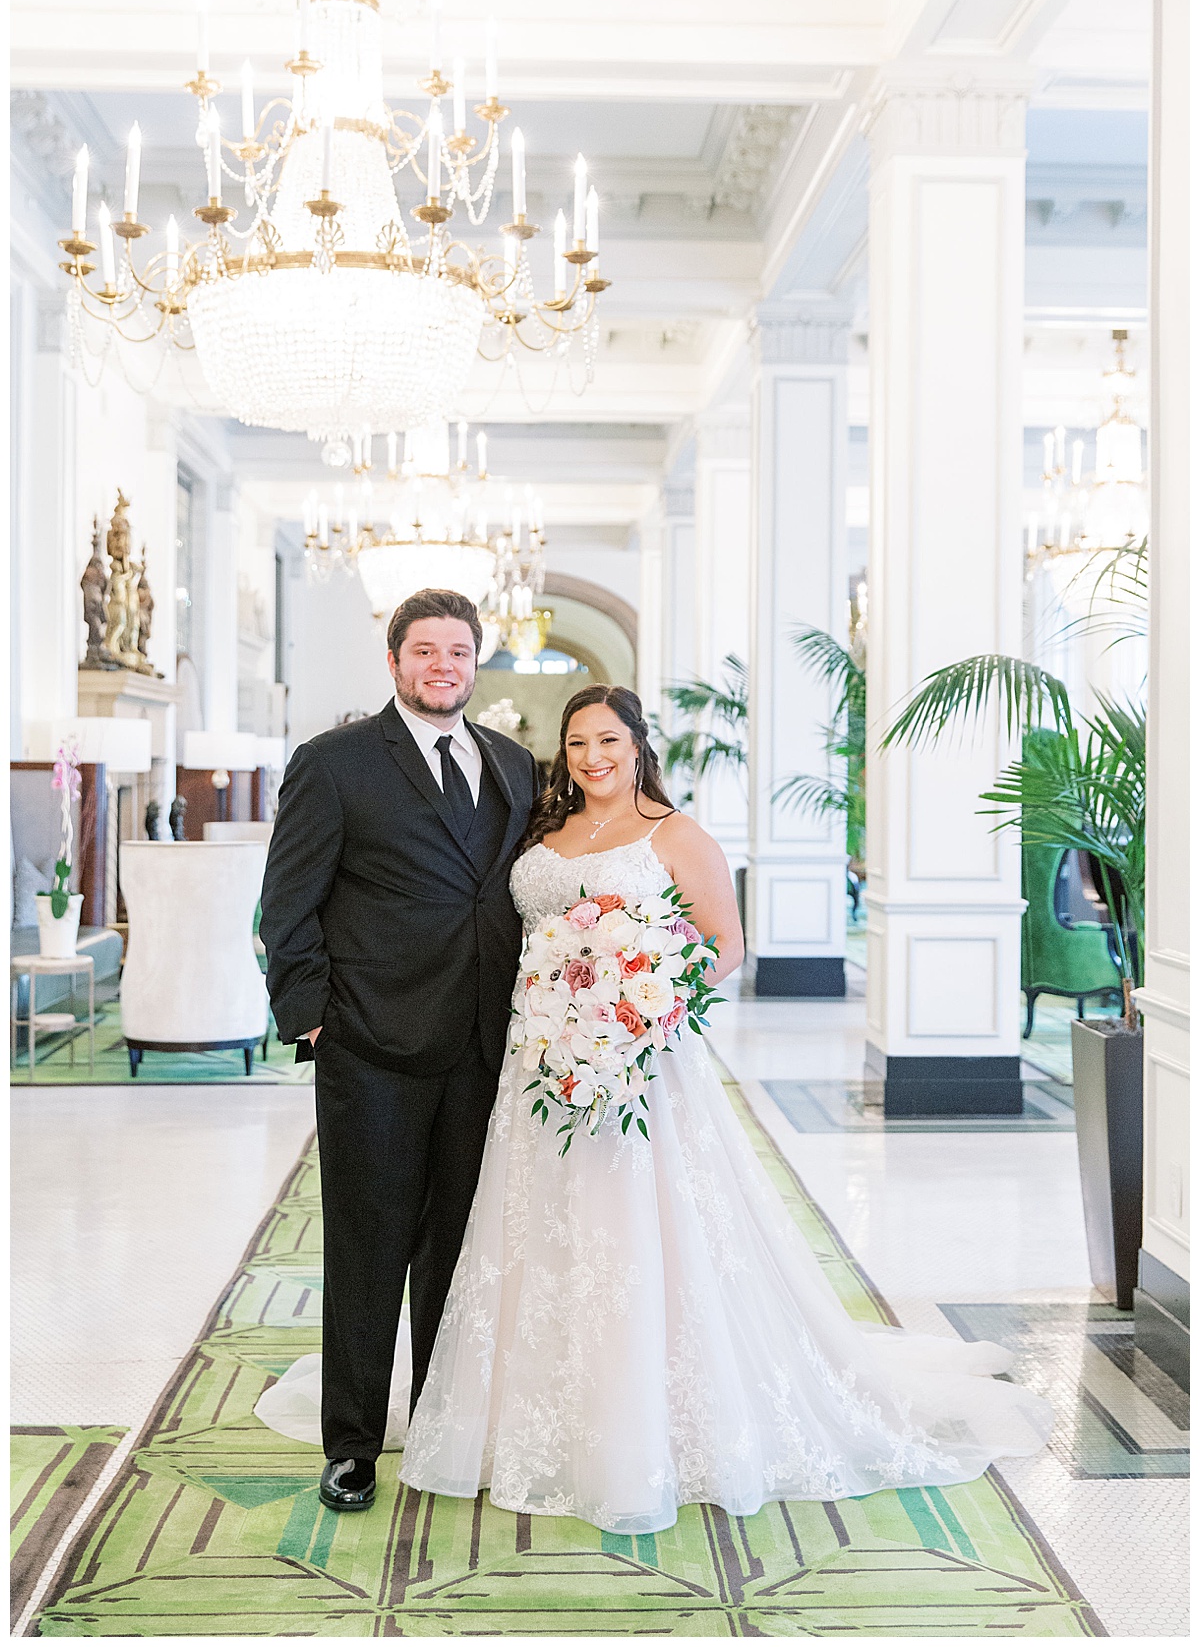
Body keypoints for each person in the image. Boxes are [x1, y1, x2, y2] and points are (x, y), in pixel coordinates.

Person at [260, 682, 1053, 1533]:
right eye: (578, 746)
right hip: (531, 1069)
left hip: (636, 1067)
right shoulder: (541, 824)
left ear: (639, 744)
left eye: (609, 741)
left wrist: (640, 1009)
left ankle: (632, 1422)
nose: (594, 758)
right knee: (516, 1240)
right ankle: (488, 1412)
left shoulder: (677, 836)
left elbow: (723, 947)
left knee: (633, 1237)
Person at [258, 589, 539, 1514]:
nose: (442, 667)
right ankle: (352, 1444)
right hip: (371, 1043)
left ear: (475, 662)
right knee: (369, 1245)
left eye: (458, 652)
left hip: (483, 1044)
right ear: (396, 662)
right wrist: (308, 1013)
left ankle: (442, 1418)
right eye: (424, 652)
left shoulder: (514, 765)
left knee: (457, 1246)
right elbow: (287, 902)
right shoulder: (333, 763)